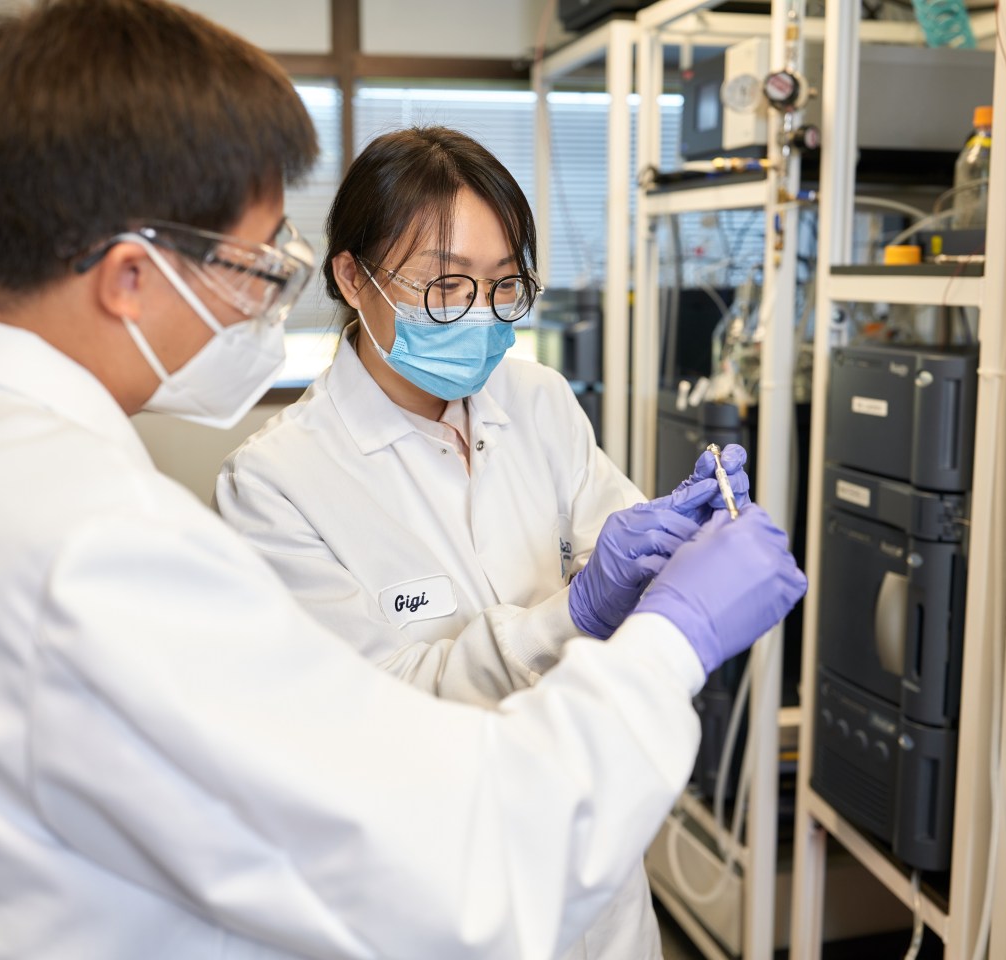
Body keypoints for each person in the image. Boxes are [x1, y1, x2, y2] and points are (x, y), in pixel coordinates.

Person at [0, 2, 806, 958]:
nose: (273, 300)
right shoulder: (90, 542)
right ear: (130, 275)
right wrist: (670, 638)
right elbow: (459, 855)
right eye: (259, 262)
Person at [214, 127, 775, 959]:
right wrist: (575, 612)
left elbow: (618, 547)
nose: (479, 313)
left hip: (597, 883)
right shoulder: (276, 483)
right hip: (435, 892)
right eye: (446, 285)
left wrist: (686, 541)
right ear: (352, 277)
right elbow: (376, 713)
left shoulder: (537, 399)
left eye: (504, 284)